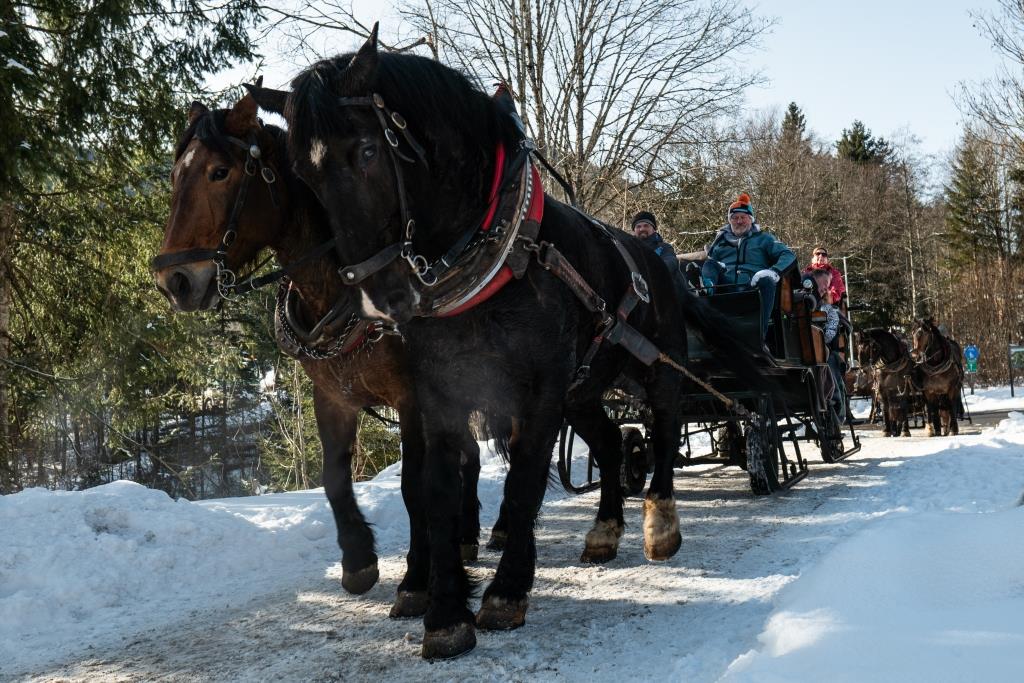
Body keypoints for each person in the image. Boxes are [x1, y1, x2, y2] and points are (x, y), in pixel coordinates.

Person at [701, 193, 796, 341]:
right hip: (725, 288)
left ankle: (759, 338)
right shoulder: (720, 242)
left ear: (750, 219)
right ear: (729, 221)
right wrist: (714, 266)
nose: (739, 221)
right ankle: (708, 291)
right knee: (709, 264)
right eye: (734, 218)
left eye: (743, 217)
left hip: (752, 288)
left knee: (767, 281)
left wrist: (773, 272)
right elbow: (711, 263)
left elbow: (788, 256)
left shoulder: (764, 239)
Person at [810, 269, 846, 425]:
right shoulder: (800, 299)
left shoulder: (829, 309)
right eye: (823, 284)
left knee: (831, 363)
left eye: (828, 285)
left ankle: (835, 406)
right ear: (814, 281)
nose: (825, 288)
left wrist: (819, 338)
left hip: (822, 350)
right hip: (800, 350)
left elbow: (831, 330)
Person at [631, 211, 685, 296]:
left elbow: (671, 262)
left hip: (666, 292)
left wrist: (652, 270)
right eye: (638, 226)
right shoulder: (630, 249)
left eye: (646, 226)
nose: (642, 229)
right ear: (634, 230)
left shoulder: (664, 247)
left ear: (653, 229)